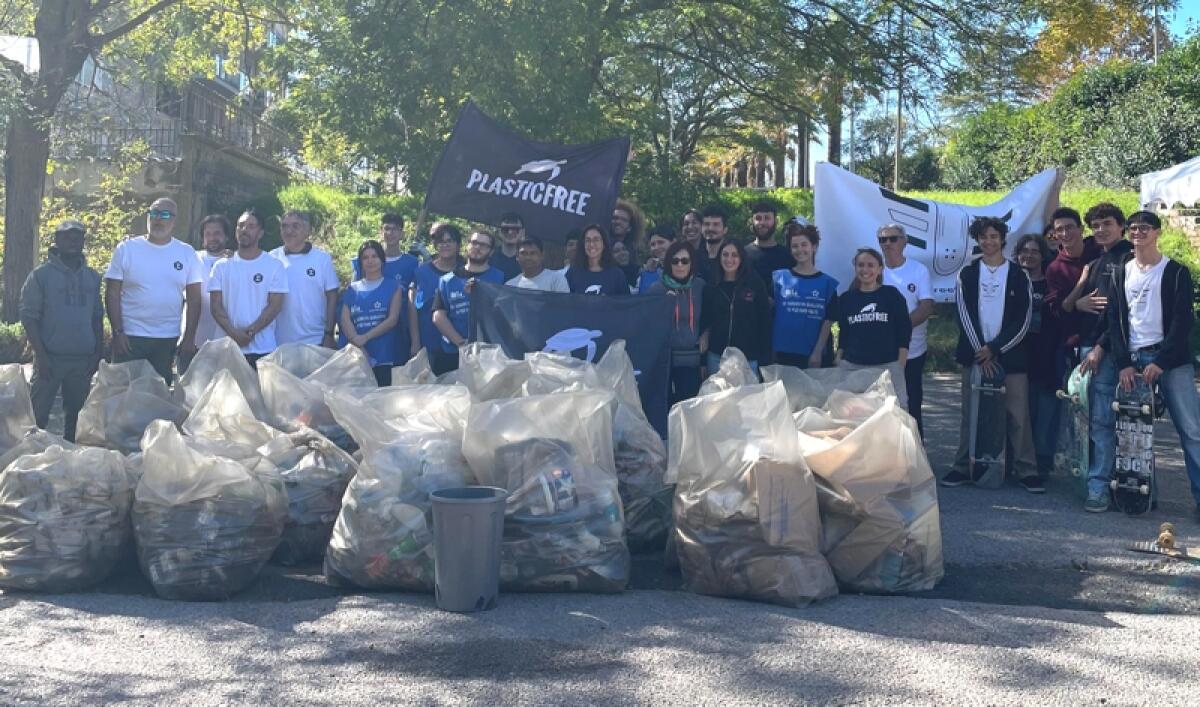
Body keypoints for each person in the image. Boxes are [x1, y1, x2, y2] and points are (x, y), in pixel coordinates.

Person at [1102, 211, 1200, 517]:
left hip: (1170, 361)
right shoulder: (1121, 272)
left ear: (1157, 232)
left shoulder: (1175, 272)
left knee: (1192, 430)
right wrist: (1123, 362)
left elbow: (1183, 321)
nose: (1137, 233)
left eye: (1144, 228)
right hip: (1133, 359)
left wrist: (1161, 360)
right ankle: (1143, 495)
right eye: (1133, 228)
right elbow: (1115, 320)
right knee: (1134, 432)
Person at [942, 217, 1036, 490]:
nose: (989, 241)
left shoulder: (1019, 274)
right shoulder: (967, 273)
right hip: (975, 356)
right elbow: (963, 314)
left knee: (1017, 415)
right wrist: (980, 351)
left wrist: (995, 348)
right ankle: (963, 466)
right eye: (983, 237)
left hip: (1010, 357)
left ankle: (1026, 469)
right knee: (970, 414)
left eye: (994, 236)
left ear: (1002, 239)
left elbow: (1023, 319)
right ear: (977, 240)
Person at [1071, 203, 1133, 505]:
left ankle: (1099, 488)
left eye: (1107, 223)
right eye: (1095, 225)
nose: (1100, 230)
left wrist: (1101, 346)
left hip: (1108, 352)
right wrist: (1078, 304)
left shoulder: (1129, 259)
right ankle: (1101, 483)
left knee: (1105, 423)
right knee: (1091, 422)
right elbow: (1085, 306)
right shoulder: (1097, 261)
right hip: (1089, 347)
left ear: (1121, 226)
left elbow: (1124, 312)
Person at [19, 220, 104, 442]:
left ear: (83, 241)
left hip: (82, 359)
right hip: (50, 358)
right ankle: (31, 457)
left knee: (77, 419)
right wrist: (41, 356)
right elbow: (29, 318)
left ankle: (69, 458)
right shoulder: (40, 276)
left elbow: (97, 316)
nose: (73, 241)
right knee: (37, 417)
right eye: (67, 236)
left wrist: (97, 353)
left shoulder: (92, 277)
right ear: (56, 240)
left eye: (77, 237)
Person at [103, 196, 203, 383]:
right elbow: (112, 293)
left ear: (174, 220)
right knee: (122, 392)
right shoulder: (126, 249)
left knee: (158, 394)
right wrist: (118, 332)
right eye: (154, 213)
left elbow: (195, 299)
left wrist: (189, 337)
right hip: (130, 337)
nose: (158, 219)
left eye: (164, 215)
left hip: (166, 338)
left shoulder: (186, 253)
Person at [827, 248, 911, 408]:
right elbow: (844, 333)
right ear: (855, 268)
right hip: (852, 367)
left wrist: (900, 363)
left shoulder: (892, 295)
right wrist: (839, 357)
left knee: (894, 413)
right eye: (861, 265)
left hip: (887, 366)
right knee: (852, 414)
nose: (865, 269)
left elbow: (904, 331)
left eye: (870, 265)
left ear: (880, 269)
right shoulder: (846, 299)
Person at [208, 208, 289, 367]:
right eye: (240, 225)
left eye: (251, 226)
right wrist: (234, 333)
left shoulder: (274, 265)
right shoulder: (221, 266)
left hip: (263, 349)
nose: (244, 229)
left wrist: (250, 332)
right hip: (227, 348)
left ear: (261, 233)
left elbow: (275, 306)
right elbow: (215, 306)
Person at [877, 223, 935, 437]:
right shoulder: (874, 269)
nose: (888, 244)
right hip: (880, 352)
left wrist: (898, 331)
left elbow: (926, 306)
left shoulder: (918, 270)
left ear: (905, 242)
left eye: (893, 239)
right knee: (881, 405)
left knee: (911, 404)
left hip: (912, 351)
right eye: (883, 240)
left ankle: (916, 450)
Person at [1014, 233, 1061, 478]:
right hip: (1017, 356)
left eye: (1034, 251)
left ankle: (1042, 461)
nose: (1029, 256)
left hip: (1047, 355)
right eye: (1024, 251)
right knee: (1022, 411)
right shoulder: (1011, 282)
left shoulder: (1051, 283)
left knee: (1046, 413)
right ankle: (1018, 460)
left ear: (1043, 256)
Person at [431, 230, 505, 374]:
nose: (477, 247)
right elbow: (438, 315)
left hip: (488, 354)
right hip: (453, 352)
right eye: (474, 243)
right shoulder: (447, 280)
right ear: (467, 245)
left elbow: (504, 315)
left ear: (491, 252)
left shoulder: (500, 278)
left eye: (483, 245)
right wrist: (461, 343)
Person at [647, 241, 706, 405]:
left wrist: (707, 334)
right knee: (665, 408)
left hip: (692, 362)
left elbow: (710, 318)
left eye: (685, 261)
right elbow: (648, 325)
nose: (680, 265)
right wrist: (665, 307)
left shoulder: (701, 286)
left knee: (688, 410)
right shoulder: (656, 289)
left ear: (691, 263)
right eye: (675, 261)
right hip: (665, 362)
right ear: (668, 263)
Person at [772, 222, 837, 369]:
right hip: (783, 354)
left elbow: (828, 322)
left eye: (804, 245)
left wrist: (818, 352)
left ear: (813, 247)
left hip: (813, 356)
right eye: (795, 246)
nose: (799, 250)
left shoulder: (828, 284)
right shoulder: (779, 279)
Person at [1045, 207, 1102, 373]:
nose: (1065, 233)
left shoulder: (1099, 251)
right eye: (1059, 230)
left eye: (1069, 227)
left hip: (1107, 335)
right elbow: (1061, 308)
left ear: (1081, 229)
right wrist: (1082, 283)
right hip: (1077, 341)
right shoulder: (1055, 268)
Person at [270, 210, 339, 347]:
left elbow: (332, 297)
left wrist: (329, 333)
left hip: (316, 340)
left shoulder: (322, 259)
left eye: (295, 226)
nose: (289, 231)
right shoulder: (271, 258)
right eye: (284, 226)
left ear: (307, 231)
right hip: (279, 342)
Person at [341, 240, 405, 386]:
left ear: (382, 259)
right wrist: (357, 341)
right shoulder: (352, 289)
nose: (370, 261)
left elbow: (392, 319)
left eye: (374, 256)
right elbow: (345, 319)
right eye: (365, 257)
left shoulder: (393, 286)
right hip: (358, 355)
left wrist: (366, 337)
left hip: (385, 353)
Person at [701, 241, 771, 373]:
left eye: (734, 255)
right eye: (725, 255)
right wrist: (703, 361)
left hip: (747, 358)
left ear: (741, 258)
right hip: (716, 357)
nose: (729, 259)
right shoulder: (711, 286)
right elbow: (705, 323)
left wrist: (764, 361)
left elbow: (765, 323)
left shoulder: (755, 284)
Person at [180, 214, 231, 371]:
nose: (212, 238)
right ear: (202, 238)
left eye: (217, 233)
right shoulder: (191, 258)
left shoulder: (235, 262)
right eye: (208, 234)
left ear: (226, 236)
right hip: (192, 340)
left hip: (225, 343)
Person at [412, 222, 464, 364]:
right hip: (429, 342)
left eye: (449, 241)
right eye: (441, 241)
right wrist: (415, 341)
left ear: (458, 245)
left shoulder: (466, 271)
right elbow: (413, 309)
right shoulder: (421, 272)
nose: (445, 245)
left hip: (460, 344)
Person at [352, 213, 420, 288]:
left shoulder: (412, 263)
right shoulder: (365, 261)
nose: (390, 233)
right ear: (381, 232)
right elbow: (354, 290)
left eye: (395, 229)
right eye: (387, 228)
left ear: (402, 234)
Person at [566, 226, 629, 296]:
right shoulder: (572, 273)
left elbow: (625, 302)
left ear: (604, 244)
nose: (591, 244)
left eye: (596, 240)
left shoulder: (617, 275)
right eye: (588, 240)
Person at [743, 200, 793, 284]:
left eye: (767, 218)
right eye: (758, 218)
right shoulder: (743, 254)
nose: (762, 223)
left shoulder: (788, 256)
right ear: (752, 221)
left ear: (776, 221)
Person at [611, 199, 644, 285]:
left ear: (630, 227)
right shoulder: (598, 245)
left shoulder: (633, 251)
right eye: (615, 218)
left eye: (624, 220)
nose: (618, 222)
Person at [636, 226, 674, 293]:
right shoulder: (648, 272)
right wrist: (650, 273)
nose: (656, 247)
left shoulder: (684, 266)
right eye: (653, 244)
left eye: (661, 242)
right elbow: (644, 296)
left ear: (673, 242)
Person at [489, 212, 525, 281]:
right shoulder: (488, 257)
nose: (510, 232)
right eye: (505, 229)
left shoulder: (528, 260)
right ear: (499, 231)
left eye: (515, 229)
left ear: (523, 232)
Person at [697, 205, 728, 283]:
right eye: (707, 224)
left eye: (716, 224)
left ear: (725, 230)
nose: (710, 228)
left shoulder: (734, 258)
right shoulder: (694, 258)